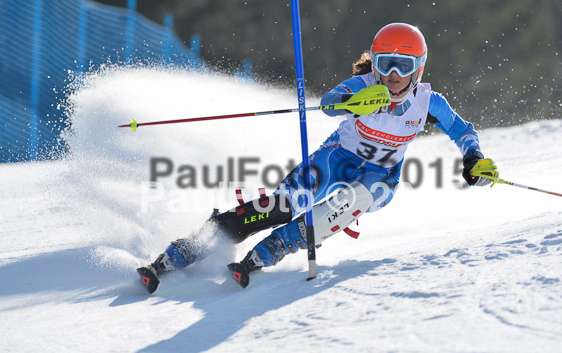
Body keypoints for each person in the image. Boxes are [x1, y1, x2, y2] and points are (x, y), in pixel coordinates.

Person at [137, 23, 497, 293]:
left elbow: (462, 129)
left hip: (380, 178)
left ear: (418, 68)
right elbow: (327, 103)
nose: (393, 75)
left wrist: (474, 158)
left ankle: (274, 248)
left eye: (403, 66)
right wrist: (350, 101)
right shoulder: (365, 85)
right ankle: (193, 245)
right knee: (280, 205)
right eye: (386, 63)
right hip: (336, 158)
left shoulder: (428, 103)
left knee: (348, 202)